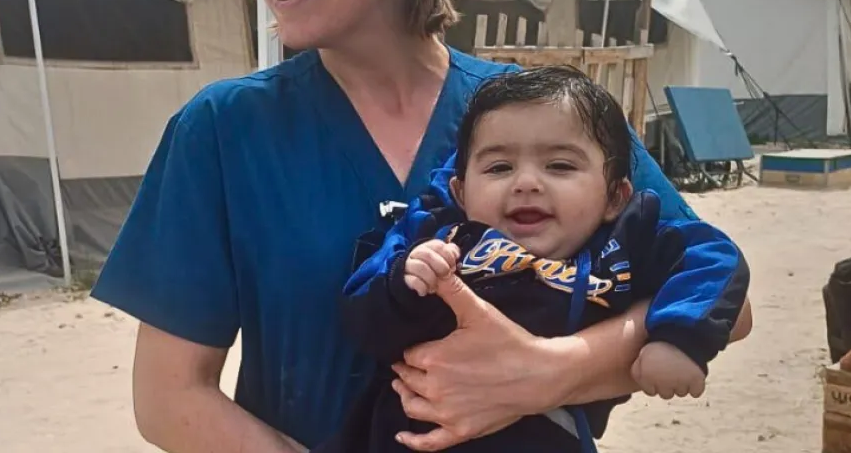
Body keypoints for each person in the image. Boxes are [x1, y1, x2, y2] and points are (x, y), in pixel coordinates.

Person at [90, 0, 753, 453]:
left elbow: (729, 307)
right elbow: (170, 398)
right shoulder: (226, 131)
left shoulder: (540, 119)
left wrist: (552, 372)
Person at [315, 67, 750, 453]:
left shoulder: (621, 248)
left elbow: (712, 257)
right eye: (498, 168)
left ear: (615, 197)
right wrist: (402, 278)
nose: (525, 182)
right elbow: (360, 312)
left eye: (560, 166)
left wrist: (678, 336)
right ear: (461, 192)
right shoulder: (437, 234)